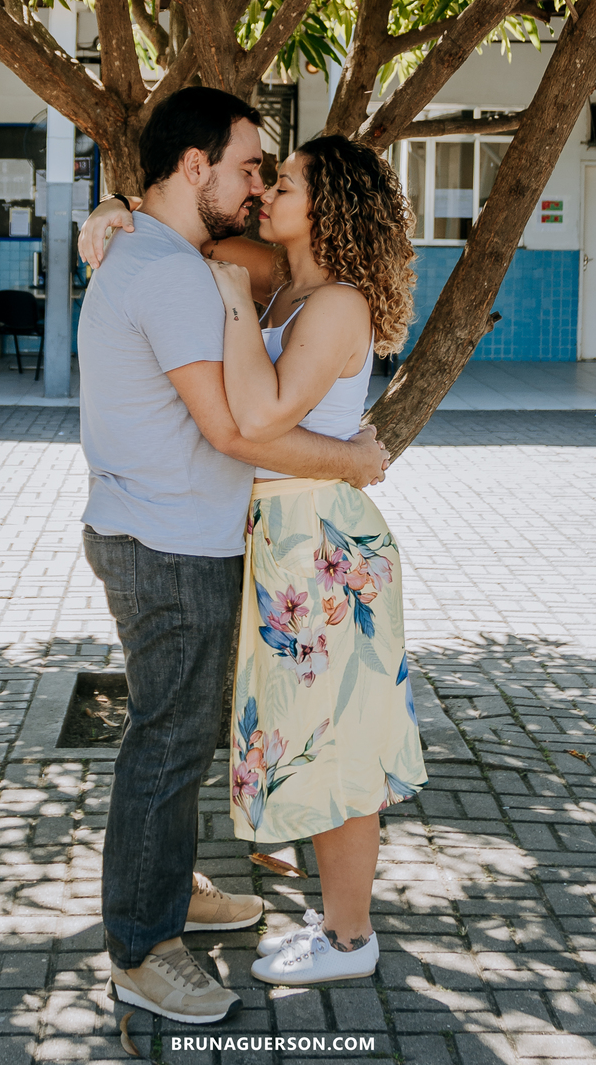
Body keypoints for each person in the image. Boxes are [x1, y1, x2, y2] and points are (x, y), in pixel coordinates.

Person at [80, 132, 426, 992]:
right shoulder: (278, 280)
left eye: (290, 180)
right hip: (277, 535)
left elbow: (264, 416)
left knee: (336, 744)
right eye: (268, 173)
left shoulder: (335, 303)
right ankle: (331, 923)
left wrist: (232, 300)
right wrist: (113, 208)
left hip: (320, 543)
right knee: (298, 738)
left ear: (331, 207)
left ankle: (351, 940)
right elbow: (166, 231)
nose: (269, 187)